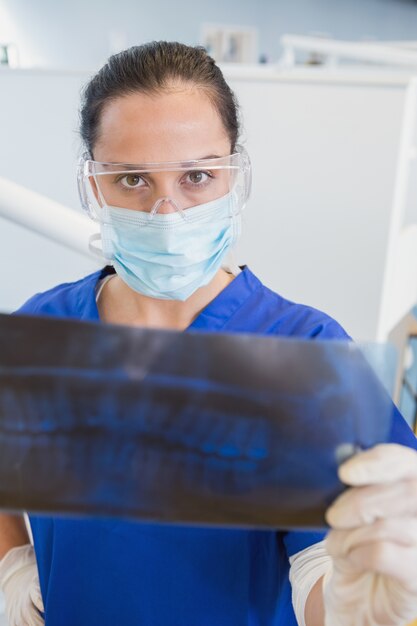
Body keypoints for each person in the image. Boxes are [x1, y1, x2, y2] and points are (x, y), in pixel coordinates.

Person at [0, 41, 417, 626]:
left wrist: (360, 605)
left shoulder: (303, 351)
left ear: (234, 177)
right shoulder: (37, 334)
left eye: (197, 175)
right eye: (132, 180)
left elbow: (327, 573)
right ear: (93, 184)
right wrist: (12, 562)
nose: (167, 215)